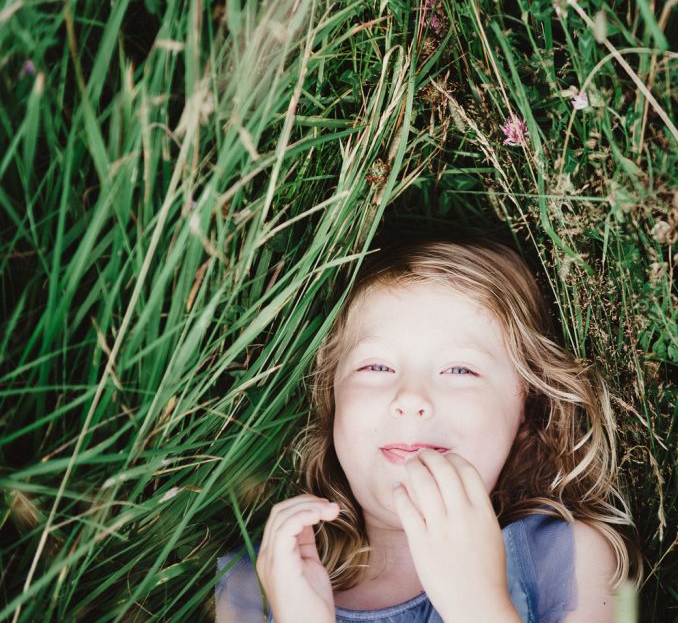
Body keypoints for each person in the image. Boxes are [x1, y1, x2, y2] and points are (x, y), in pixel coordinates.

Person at [214, 231, 640, 623]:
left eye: (460, 370)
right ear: (332, 398)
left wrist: (477, 603)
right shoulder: (261, 584)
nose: (411, 398)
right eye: (376, 366)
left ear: (527, 407)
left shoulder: (562, 559)